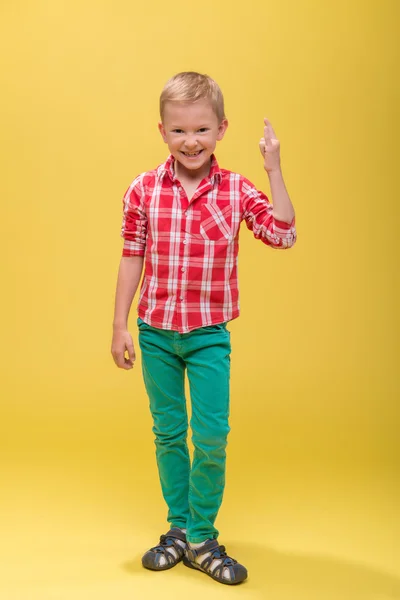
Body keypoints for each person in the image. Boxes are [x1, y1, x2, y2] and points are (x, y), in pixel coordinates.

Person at [111, 71, 296, 585]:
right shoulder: (143, 189)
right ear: (162, 131)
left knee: (211, 436)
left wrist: (273, 168)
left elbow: (282, 235)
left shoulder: (236, 189)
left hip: (209, 334)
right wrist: (119, 325)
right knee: (169, 433)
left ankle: (202, 536)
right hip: (155, 333)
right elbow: (131, 258)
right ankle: (179, 529)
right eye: (178, 131)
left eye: (201, 130)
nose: (190, 141)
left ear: (220, 130)